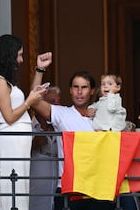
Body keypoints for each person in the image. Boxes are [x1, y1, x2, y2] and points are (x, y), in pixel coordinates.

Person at [30, 69, 115, 210]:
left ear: (92, 91)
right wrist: (39, 70)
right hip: (68, 189)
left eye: (84, 87)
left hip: (98, 189)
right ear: (70, 90)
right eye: (76, 87)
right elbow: (34, 101)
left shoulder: (104, 117)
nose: (79, 92)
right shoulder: (62, 114)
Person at [0, 34, 51, 210]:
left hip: (18, 142)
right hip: (11, 141)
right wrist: (29, 101)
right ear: (8, 55)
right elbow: (9, 117)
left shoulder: (6, 82)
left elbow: (27, 100)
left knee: (19, 188)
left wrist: (40, 70)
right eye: (19, 55)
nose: (21, 60)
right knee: (13, 188)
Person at [29, 86, 61, 210]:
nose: (57, 105)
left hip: (58, 185)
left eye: (59, 101)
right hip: (36, 187)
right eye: (53, 102)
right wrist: (34, 144)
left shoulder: (61, 125)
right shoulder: (28, 126)